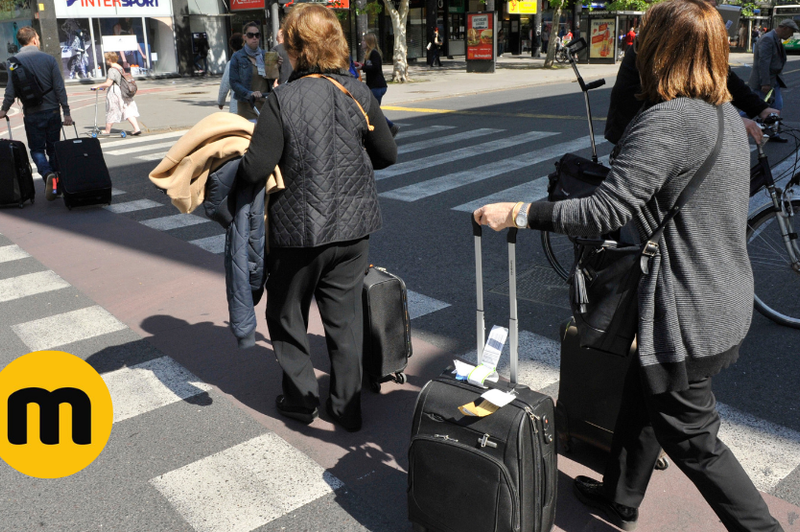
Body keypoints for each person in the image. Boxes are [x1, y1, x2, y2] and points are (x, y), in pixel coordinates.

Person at [473, 1, 785, 531]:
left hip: (687, 312)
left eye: (646, 40)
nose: (636, 49)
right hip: (722, 295)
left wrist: (519, 213)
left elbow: (603, 211)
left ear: (661, 50)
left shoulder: (664, 121)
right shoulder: (726, 116)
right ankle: (621, 495)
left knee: (695, 441)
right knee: (644, 396)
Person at [236, 4, 397, 432]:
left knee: (287, 316)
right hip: (353, 230)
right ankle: (347, 408)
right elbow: (388, 154)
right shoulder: (356, 92)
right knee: (344, 320)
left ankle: (301, 400)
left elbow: (255, 168)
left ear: (295, 46)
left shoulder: (282, 99)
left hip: (297, 233)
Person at [605, 10, 779, 146]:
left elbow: (724, 76)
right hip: (641, 130)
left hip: (663, 128)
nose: (714, 5)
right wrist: (732, 121)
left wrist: (761, 108)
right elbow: (678, 95)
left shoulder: (695, 37)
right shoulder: (665, 40)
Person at [0, 26, 72, 202]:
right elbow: (59, 88)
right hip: (53, 111)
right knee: (54, 147)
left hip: (32, 113)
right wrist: (67, 112)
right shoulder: (49, 59)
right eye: (38, 38)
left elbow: (11, 91)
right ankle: (56, 184)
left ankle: (47, 174)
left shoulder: (13, 62)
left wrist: (3, 110)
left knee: (37, 150)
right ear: (34, 39)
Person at [747, 18, 799, 141]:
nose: (791, 35)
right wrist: (765, 82)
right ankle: (733, 124)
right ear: (784, 28)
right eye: (791, 32)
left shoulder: (775, 39)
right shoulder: (768, 39)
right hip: (765, 81)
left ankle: (773, 132)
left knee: (776, 106)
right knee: (752, 107)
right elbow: (763, 63)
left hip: (773, 80)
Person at [229, 21, 274, 122]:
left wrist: (277, 66)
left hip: (265, 108)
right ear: (244, 37)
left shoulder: (265, 55)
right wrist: (250, 94)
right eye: (250, 35)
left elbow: (273, 78)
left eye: (257, 35)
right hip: (247, 109)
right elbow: (234, 82)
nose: (254, 38)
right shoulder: (237, 57)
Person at [356, 33, 399, 137]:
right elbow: (370, 66)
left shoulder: (374, 53)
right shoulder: (369, 53)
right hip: (374, 86)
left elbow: (375, 68)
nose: (361, 43)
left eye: (363, 41)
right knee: (373, 110)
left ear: (369, 42)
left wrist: (362, 68)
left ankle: (390, 127)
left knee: (373, 111)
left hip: (378, 86)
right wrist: (361, 65)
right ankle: (387, 128)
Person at [90, 52, 142, 136]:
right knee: (127, 109)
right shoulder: (120, 67)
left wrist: (97, 86)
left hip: (115, 92)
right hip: (123, 91)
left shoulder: (112, 69)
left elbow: (108, 83)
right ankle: (137, 128)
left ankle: (107, 130)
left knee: (112, 109)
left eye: (107, 59)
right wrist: (104, 87)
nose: (106, 61)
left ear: (110, 59)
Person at [218, 33, 244, 113]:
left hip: (236, 104)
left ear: (231, 46)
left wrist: (221, 101)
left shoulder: (231, 63)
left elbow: (225, 84)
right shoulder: (252, 60)